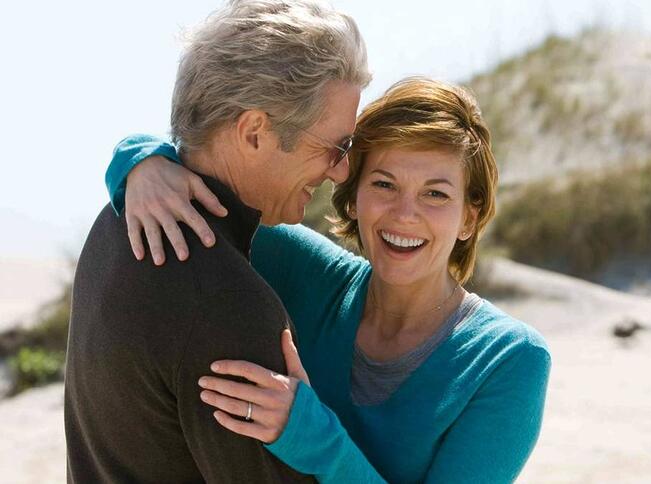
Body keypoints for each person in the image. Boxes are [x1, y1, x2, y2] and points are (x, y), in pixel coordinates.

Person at [105, 77, 551, 483]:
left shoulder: (509, 361)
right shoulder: (308, 272)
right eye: (383, 184)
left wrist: (312, 436)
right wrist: (144, 161)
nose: (404, 214)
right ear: (352, 197)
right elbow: (212, 166)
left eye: (435, 194)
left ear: (469, 218)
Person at [65, 1, 370, 482]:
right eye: (335, 147)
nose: (341, 170)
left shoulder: (118, 219)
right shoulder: (230, 309)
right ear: (253, 132)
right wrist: (317, 437)